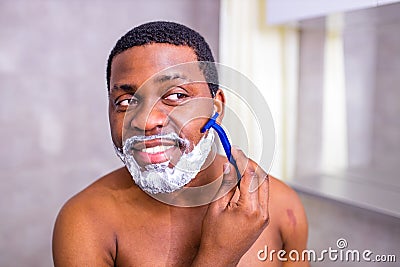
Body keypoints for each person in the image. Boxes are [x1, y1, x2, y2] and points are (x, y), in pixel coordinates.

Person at [52, 21, 308, 266]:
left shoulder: (282, 206)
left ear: (215, 108)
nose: (146, 120)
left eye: (176, 96)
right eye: (127, 102)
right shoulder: (85, 221)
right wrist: (218, 255)